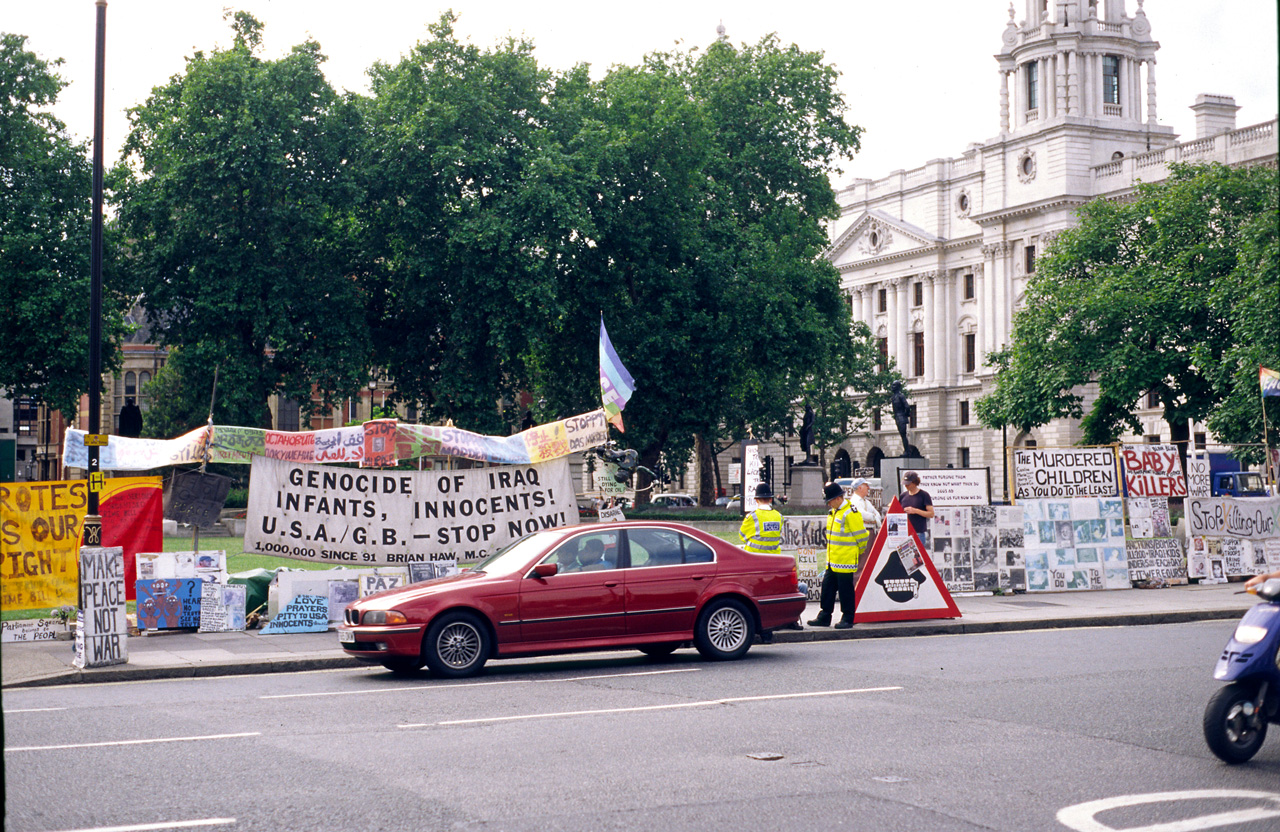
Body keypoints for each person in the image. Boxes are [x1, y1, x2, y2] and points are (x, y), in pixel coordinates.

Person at [808, 481, 870, 630]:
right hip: (833, 560)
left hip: (846, 560)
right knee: (827, 589)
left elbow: (862, 536)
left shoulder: (850, 512)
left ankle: (848, 618)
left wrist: (858, 551)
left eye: (830, 501)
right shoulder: (834, 512)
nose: (829, 504)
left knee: (845, 591)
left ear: (837, 498)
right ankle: (825, 616)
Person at [739, 482, 784, 555]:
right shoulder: (779, 516)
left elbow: (742, 536)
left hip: (754, 557)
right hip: (774, 557)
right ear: (770, 499)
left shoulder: (752, 517)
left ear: (756, 500)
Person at [900, 470, 934, 548]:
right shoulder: (903, 495)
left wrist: (915, 511)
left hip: (918, 533)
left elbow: (931, 514)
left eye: (908, 484)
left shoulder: (924, 495)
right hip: (904, 533)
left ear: (914, 483)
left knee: (918, 559)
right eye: (905, 484)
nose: (906, 486)